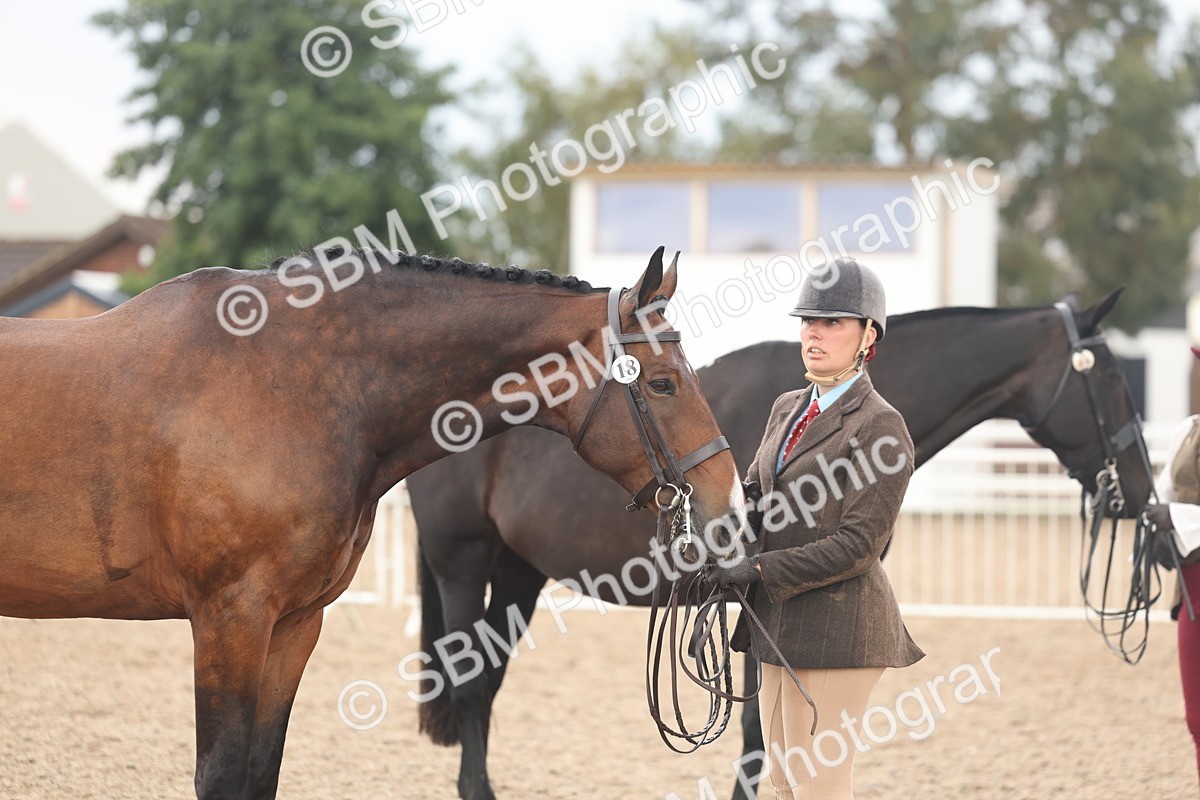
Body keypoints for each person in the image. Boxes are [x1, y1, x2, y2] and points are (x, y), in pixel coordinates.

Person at [707, 256, 924, 800]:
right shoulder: (787, 407)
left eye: (833, 323)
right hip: (778, 621)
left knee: (819, 788)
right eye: (809, 322)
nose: (814, 334)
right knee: (783, 784)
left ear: (868, 336)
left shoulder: (881, 426)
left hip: (840, 627)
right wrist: (710, 520)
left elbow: (858, 546)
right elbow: (755, 494)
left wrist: (756, 566)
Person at [1140, 346, 1200, 783]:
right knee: (1197, 715)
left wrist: (1176, 519)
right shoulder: (1188, 432)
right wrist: (1154, 532)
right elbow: (1162, 497)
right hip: (1193, 588)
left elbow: (1175, 511)